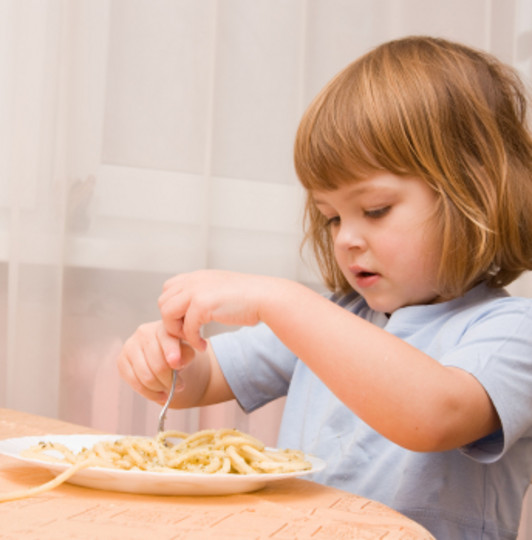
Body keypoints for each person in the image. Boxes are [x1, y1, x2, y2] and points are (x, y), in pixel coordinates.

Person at [117, 36, 532, 539]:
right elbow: (203, 380)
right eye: (331, 218)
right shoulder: (339, 315)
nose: (347, 239)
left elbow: (433, 415)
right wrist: (167, 363)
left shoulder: (512, 331)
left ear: (475, 191)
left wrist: (279, 299)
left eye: (375, 209)